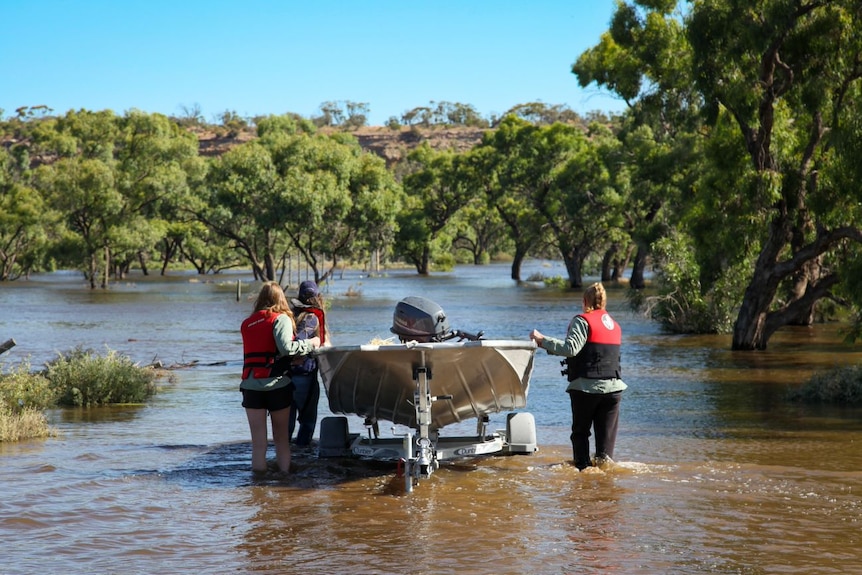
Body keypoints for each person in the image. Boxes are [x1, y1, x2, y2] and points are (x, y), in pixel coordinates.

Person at [530, 282, 626, 471]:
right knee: (605, 456)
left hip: (586, 389)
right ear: (604, 302)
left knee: (580, 435)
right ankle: (606, 490)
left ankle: (582, 476)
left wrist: (542, 341)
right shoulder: (615, 326)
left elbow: (571, 349)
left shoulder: (582, 321)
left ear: (584, 301)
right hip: (614, 391)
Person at [240, 281, 320, 475]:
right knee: (281, 440)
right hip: (276, 384)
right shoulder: (280, 318)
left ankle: (258, 486)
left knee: (258, 444)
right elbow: (287, 348)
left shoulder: (247, 323)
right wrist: (312, 343)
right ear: (280, 298)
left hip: (250, 386)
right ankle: (285, 482)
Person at [288, 280, 329, 446]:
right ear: (317, 297)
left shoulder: (290, 316)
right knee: (307, 422)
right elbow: (300, 343)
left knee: (287, 422)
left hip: (285, 375)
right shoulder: (312, 318)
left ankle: (284, 457)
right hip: (304, 374)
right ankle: (302, 456)